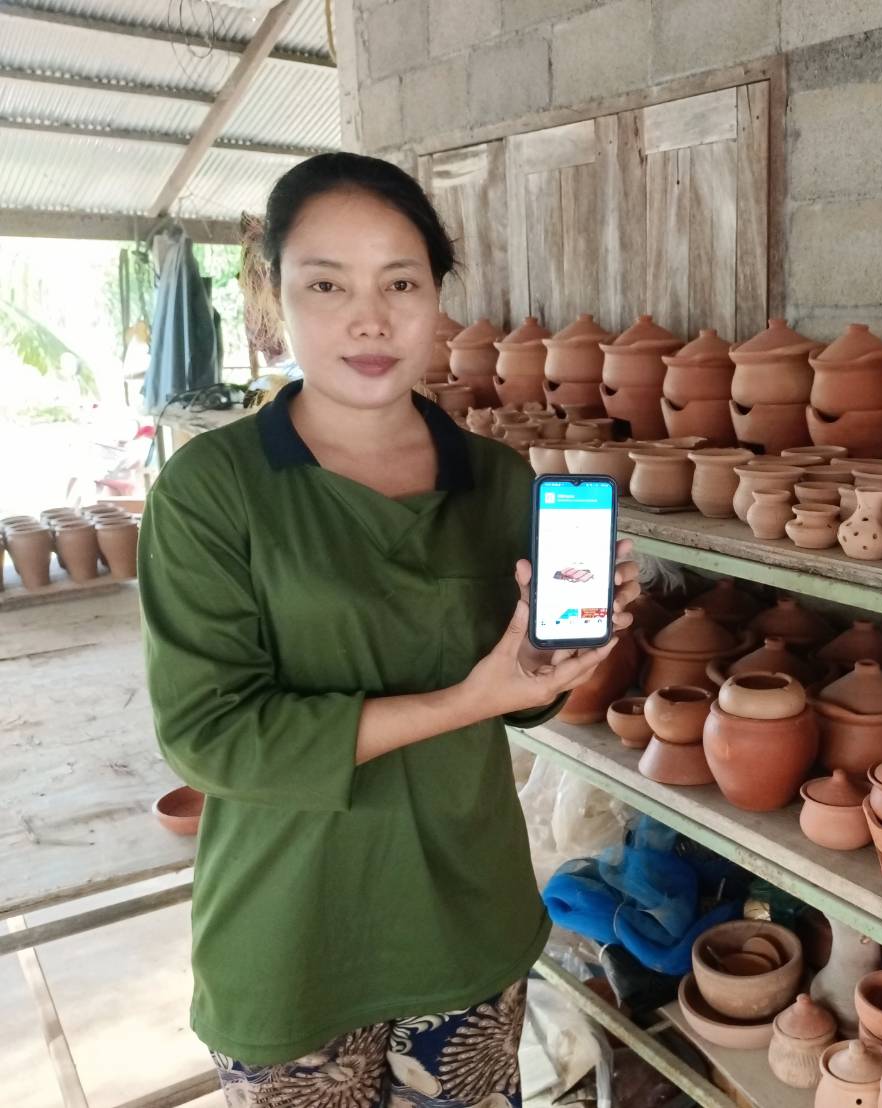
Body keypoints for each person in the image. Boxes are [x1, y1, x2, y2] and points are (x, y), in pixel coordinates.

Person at [138, 152, 639, 1107]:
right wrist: (465, 700)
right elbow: (211, 738)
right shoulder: (213, 490)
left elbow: (526, 701)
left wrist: (558, 661)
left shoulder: (496, 482)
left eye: (400, 282)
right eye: (326, 283)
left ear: (436, 296)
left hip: (466, 922)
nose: (368, 318)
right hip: (292, 943)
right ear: (273, 296)